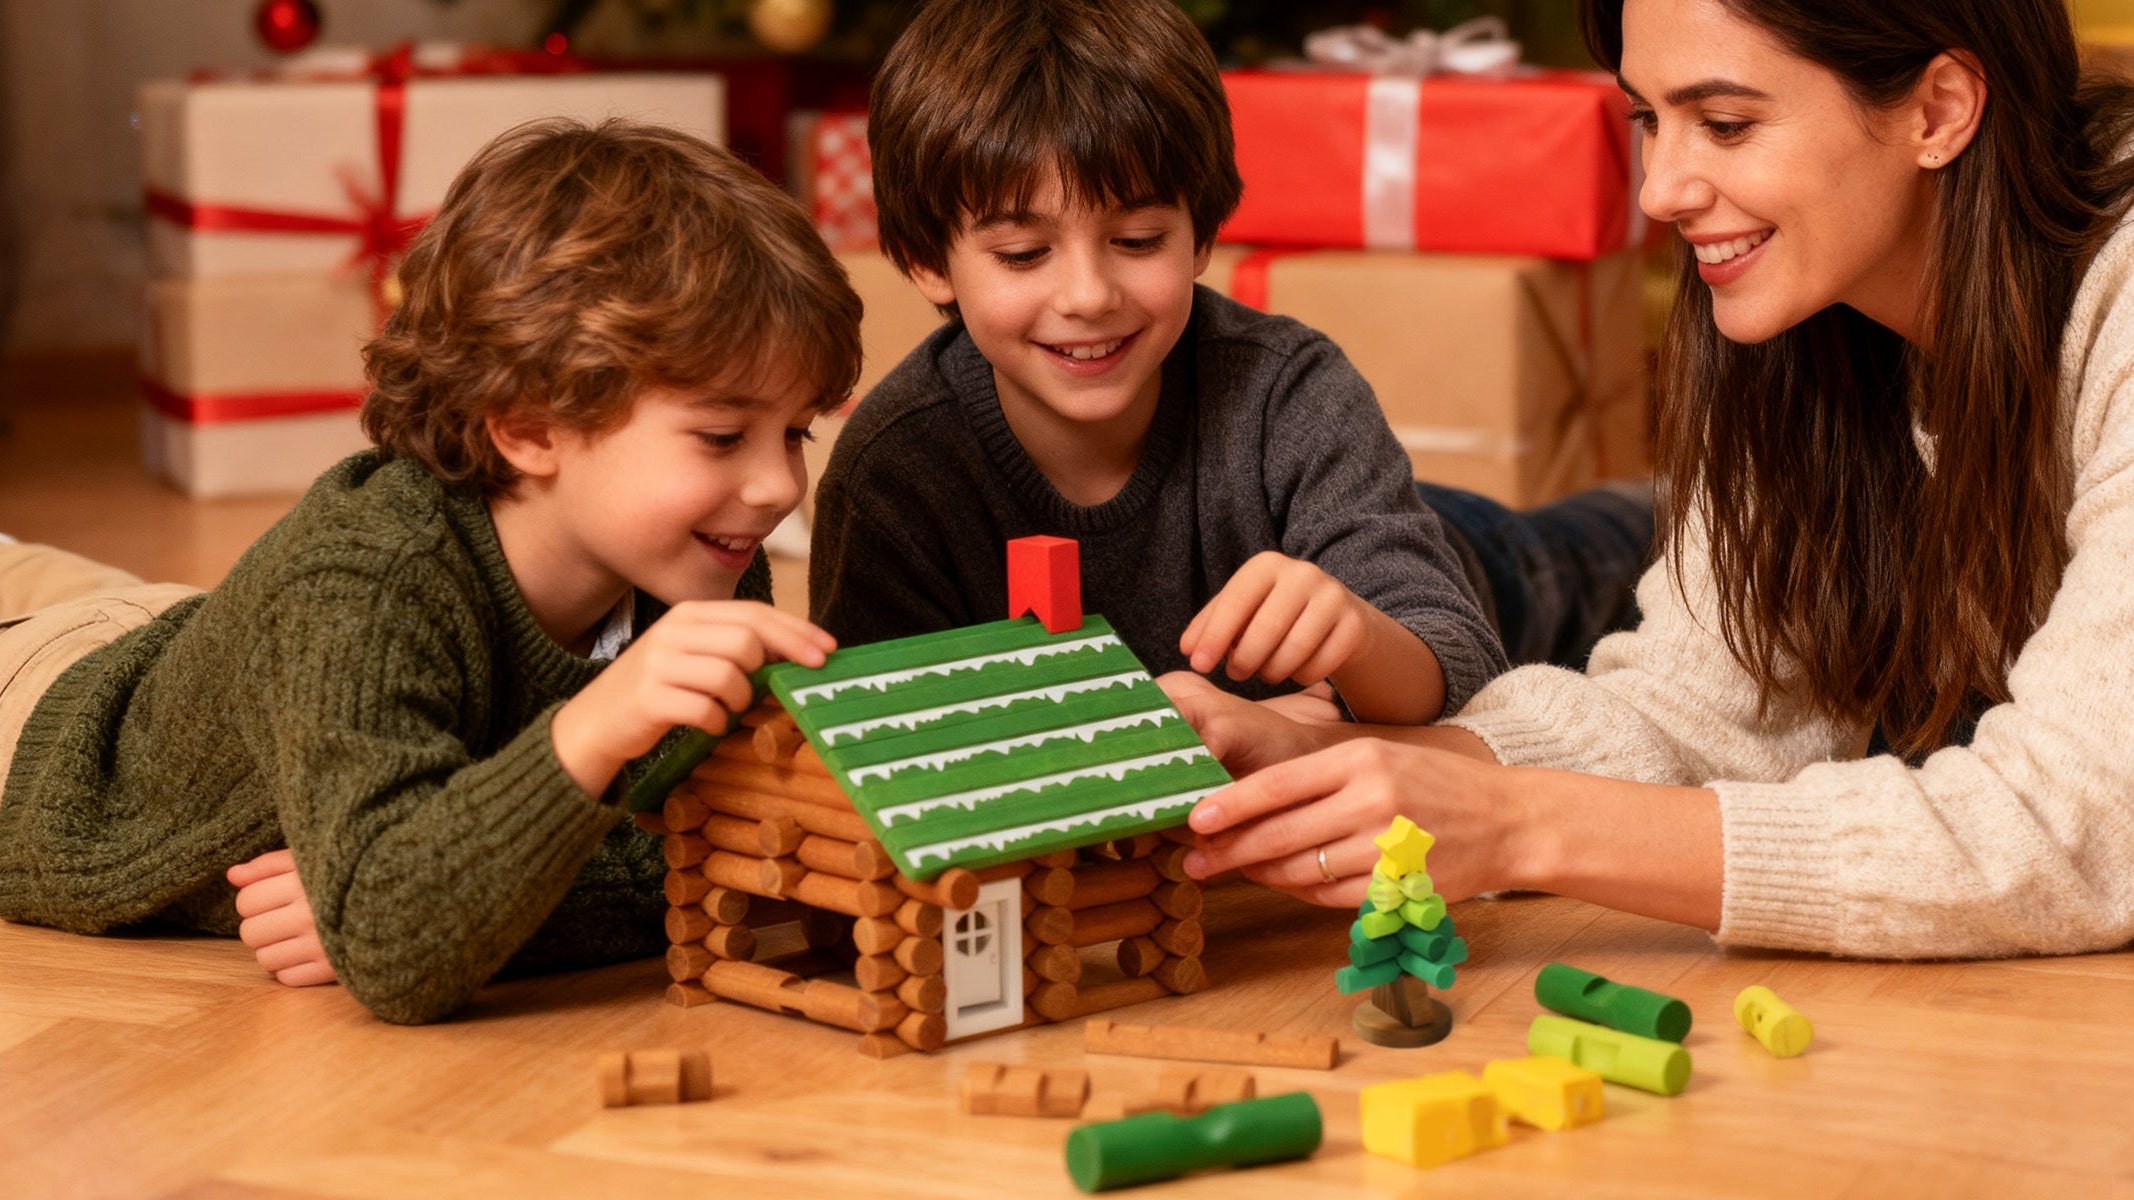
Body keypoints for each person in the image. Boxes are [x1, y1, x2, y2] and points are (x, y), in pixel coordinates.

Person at [1172, 0, 2134, 958]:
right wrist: (1324, 760)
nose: (1660, 192)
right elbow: (1698, 712)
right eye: (1649, 120)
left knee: (1509, 558)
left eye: (1725, 125)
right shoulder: (1800, 311)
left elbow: (2079, 825)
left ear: (1939, 111)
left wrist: (1515, 820)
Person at [0, 119, 859, 1021]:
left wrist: (442, 886)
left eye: (794, 432)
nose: (776, 486)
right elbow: (397, 943)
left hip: (172, 636)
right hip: (48, 734)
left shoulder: (703, 556)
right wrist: (592, 731)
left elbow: (716, 845)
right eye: (723, 436)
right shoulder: (365, 579)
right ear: (527, 425)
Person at [808, 0, 1654, 728]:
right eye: (1025, 254)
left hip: (1473, 565)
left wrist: (1355, 638)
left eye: (1138, 242)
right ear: (926, 260)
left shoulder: (1284, 389)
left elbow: (1457, 663)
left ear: (1202, 233)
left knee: (1657, 554)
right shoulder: (897, 472)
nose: (1089, 295)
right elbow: (884, 753)